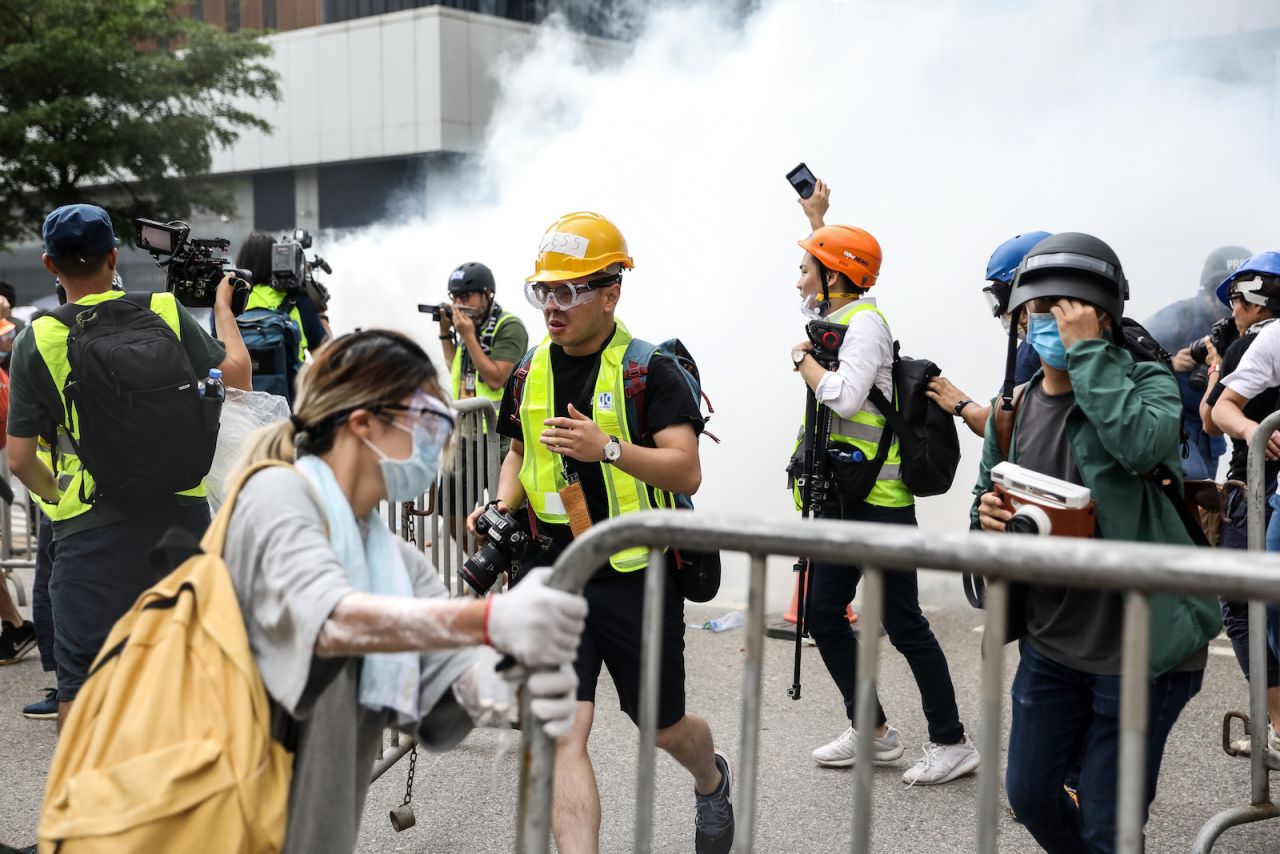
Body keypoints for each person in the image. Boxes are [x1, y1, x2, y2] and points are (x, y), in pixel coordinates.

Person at [223, 328, 586, 854]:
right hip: (218, 821)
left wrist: (509, 672)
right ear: (362, 423)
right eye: (431, 422)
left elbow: (439, 709)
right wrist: (488, 622)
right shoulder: (276, 493)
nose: (443, 445)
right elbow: (326, 620)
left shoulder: (399, 566)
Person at [468, 212, 733, 854]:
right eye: (544, 292)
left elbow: (686, 471)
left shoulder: (650, 371)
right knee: (563, 730)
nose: (551, 308)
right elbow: (517, 453)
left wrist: (608, 447)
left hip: (635, 573)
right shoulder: (531, 370)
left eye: (568, 292)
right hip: (554, 568)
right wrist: (499, 506)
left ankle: (711, 778)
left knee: (662, 727)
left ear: (611, 293)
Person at [974, 232, 1218, 852]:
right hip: (1053, 643)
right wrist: (990, 518)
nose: (1049, 324)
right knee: (1029, 795)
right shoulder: (1013, 409)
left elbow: (1139, 445)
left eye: (1068, 312)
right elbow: (982, 509)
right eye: (1037, 312)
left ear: (1105, 320)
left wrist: (1088, 356)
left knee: (1111, 823)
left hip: (1140, 652)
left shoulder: (1150, 385)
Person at [5, 204, 252, 727]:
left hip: (89, 533)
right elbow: (237, 377)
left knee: (85, 684)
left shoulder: (38, 338)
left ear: (51, 266)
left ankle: (96, 799)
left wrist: (57, 501)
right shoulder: (163, 308)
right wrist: (222, 306)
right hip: (181, 520)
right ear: (113, 256)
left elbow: (21, 458)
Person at [788, 222, 980, 785]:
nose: (797, 278)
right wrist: (816, 219)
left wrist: (800, 361)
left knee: (903, 622)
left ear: (833, 277)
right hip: (842, 502)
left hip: (879, 503)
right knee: (823, 615)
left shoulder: (865, 323)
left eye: (806, 268)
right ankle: (873, 733)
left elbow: (846, 396)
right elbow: (834, 267)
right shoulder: (838, 317)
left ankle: (952, 742)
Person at [1209, 251, 1280, 738]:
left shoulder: (1248, 345)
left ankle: (1278, 720)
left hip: (1253, 490)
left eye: (1235, 297)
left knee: (1242, 605)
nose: (1232, 309)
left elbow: (1211, 412)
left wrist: (1215, 368)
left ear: (1255, 298)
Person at [924, 232, 1052, 436]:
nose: (1020, 318)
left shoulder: (1038, 344)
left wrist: (961, 404)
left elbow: (998, 425)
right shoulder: (1105, 330)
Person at [1145, 245, 1252, 480]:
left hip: (1212, 427)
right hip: (1174, 419)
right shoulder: (1180, 317)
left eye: (1238, 297)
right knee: (1194, 481)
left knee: (1207, 494)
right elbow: (1134, 351)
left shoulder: (1248, 326)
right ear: (1206, 291)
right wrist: (1170, 363)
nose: (1229, 307)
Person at [432, 261, 528, 522]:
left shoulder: (509, 326)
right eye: (454, 298)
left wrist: (469, 336)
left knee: (505, 519)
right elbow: (457, 368)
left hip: (499, 439)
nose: (459, 304)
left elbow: (496, 378)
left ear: (487, 294)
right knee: (451, 515)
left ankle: (499, 560)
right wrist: (445, 335)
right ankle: (483, 563)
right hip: (467, 435)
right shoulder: (470, 327)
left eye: (466, 296)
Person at [233, 231, 330, 401]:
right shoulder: (299, 299)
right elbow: (328, 359)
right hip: (290, 406)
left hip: (240, 408)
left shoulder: (227, 300)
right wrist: (321, 313)